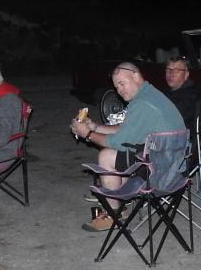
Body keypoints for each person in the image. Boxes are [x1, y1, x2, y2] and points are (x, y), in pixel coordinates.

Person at [69, 62, 185, 233]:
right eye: (116, 86)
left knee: (107, 155)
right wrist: (95, 127)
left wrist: (87, 134)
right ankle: (118, 201)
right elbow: (128, 130)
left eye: (122, 83)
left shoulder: (142, 103)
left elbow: (116, 142)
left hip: (161, 170)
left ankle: (113, 214)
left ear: (136, 76)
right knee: (122, 154)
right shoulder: (150, 95)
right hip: (173, 161)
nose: (119, 90)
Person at [161, 55, 201, 131]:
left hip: (176, 133)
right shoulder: (167, 90)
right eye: (168, 69)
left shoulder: (190, 95)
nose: (171, 73)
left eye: (177, 70)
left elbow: (171, 118)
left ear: (186, 75)